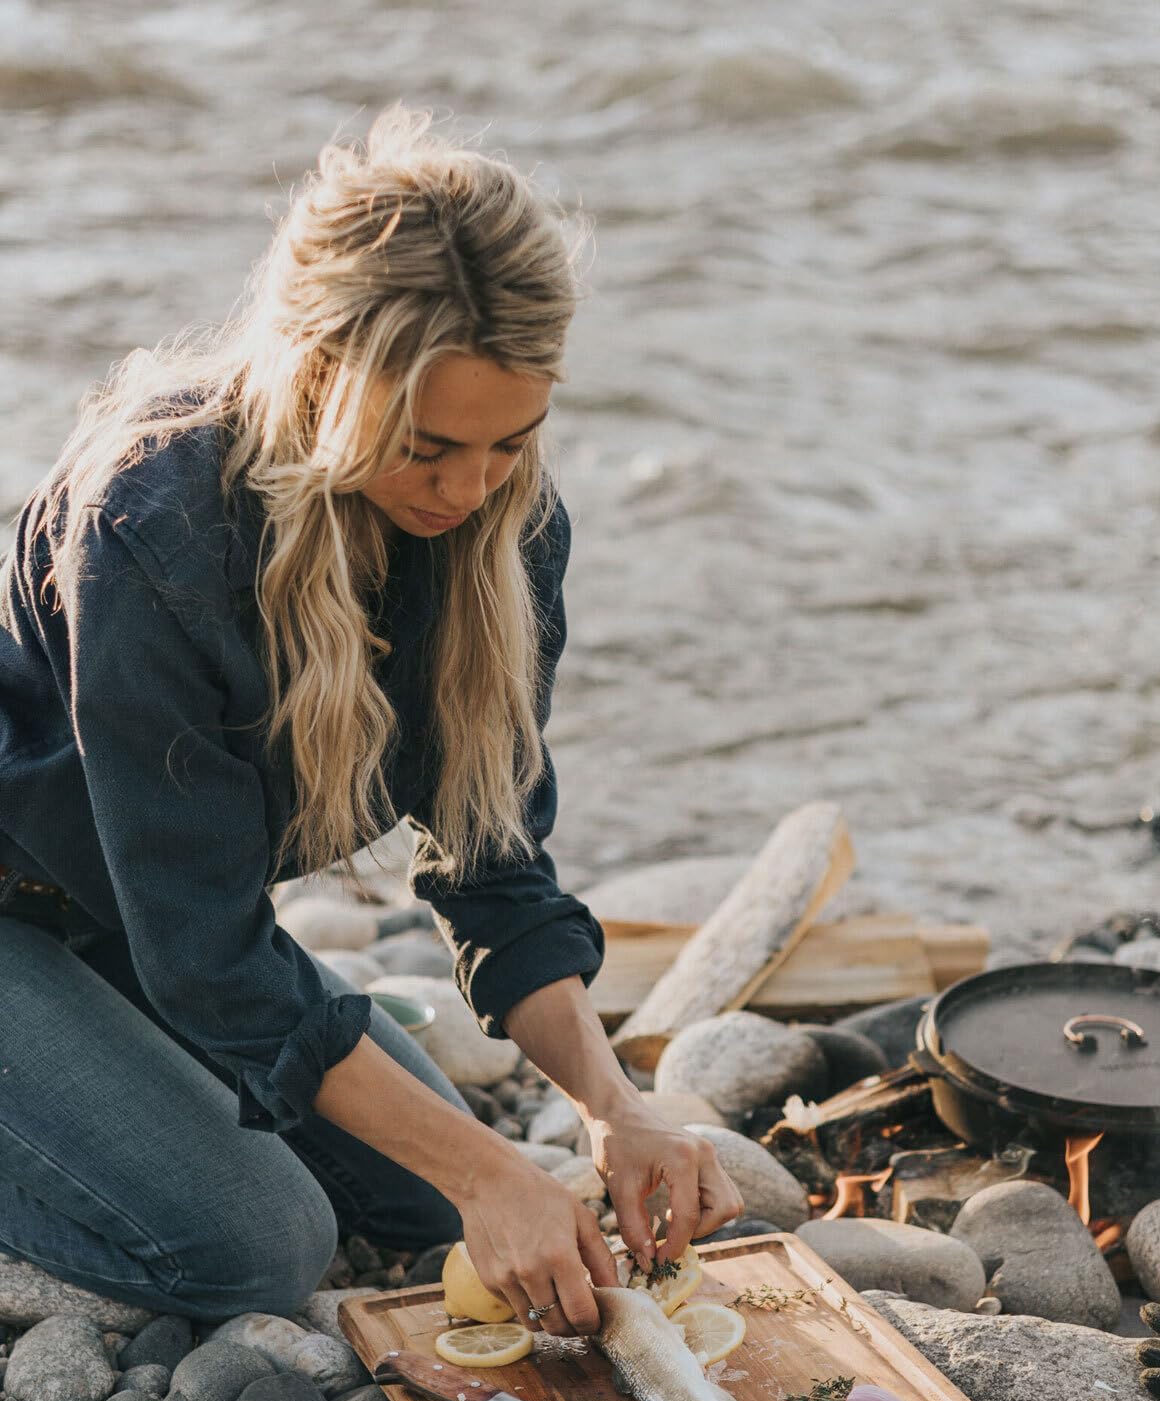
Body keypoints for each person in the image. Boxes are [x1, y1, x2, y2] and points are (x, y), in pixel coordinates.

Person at [0, 105, 742, 1337]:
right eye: (429, 447)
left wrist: (618, 1106)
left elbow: (493, 863)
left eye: (514, 438)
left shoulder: (503, 518)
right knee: (259, 1247)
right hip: (31, 901)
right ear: (321, 382)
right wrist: (491, 1169)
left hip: (126, 911)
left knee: (417, 1200)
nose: (472, 487)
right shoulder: (152, 524)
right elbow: (211, 957)